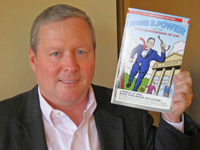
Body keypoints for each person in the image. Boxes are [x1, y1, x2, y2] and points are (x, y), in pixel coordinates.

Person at [0, 4, 199, 150]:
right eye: (56, 54)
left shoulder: (131, 114)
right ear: (33, 60)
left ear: (94, 55)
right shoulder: (3, 120)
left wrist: (173, 118)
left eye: (80, 52)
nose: (70, 66)